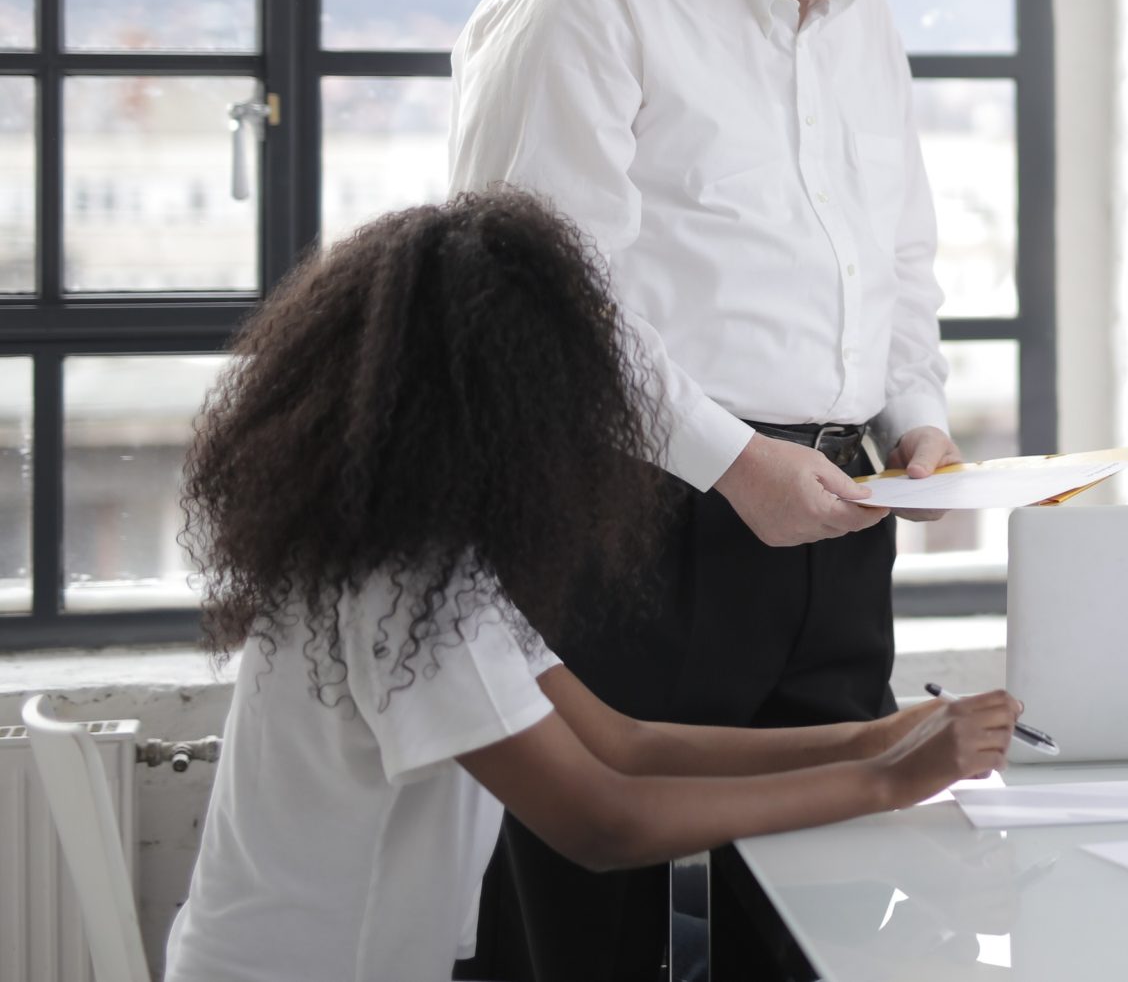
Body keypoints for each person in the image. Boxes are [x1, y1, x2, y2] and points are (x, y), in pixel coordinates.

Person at [163, 191, 1019, 982]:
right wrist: (890, 783)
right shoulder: (403, 586)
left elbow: (626, 741)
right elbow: (603, 823)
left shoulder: (410, 551)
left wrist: (888, 738)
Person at [447, 0, 963, 977]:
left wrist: (917, 417)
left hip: (838, 516)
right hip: (632, 513)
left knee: (821, 900)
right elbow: (537, 301)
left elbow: (891, 256)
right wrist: (731, 458)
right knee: (587, 916)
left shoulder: (864, 16)